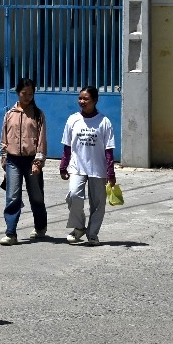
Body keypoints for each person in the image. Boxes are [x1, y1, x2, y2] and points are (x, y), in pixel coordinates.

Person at [59, 86, 116, 246]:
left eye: (86, 99)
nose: (82, 102)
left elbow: (109, 149)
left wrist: (110, 172)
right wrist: (63, 165)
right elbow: (67, 146)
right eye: (80, 98)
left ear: (95, 100)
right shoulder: (73, 119)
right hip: (77, 167)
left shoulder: (104, 122)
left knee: (98, 204)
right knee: (74, 195)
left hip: (98, 168)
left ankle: (92, 234)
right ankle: (79, 227)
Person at [0, 77, 49, 245]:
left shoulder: (38, 115)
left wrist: (38, 162)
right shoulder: (10, 114)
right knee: (12, 196)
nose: (27, 97)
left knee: (36, 196)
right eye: (24, 93)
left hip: (31, 161)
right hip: (13, 160)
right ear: (17, 93)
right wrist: (4, 160)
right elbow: (4, 139)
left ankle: (40, 226)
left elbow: (41, 140)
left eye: (30, 94)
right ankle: (11, 233)